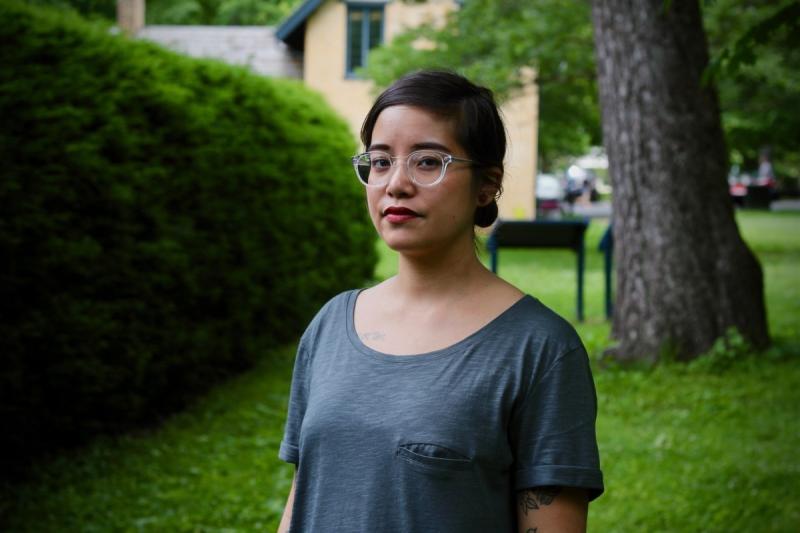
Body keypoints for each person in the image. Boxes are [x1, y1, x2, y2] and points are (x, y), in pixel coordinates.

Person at [277, 70, 603, 532]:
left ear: (487, 185)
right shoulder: (330, 324)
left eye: (428, 161)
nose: (396, 184)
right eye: (381, 161)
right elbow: (305, 495)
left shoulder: (539, 349)